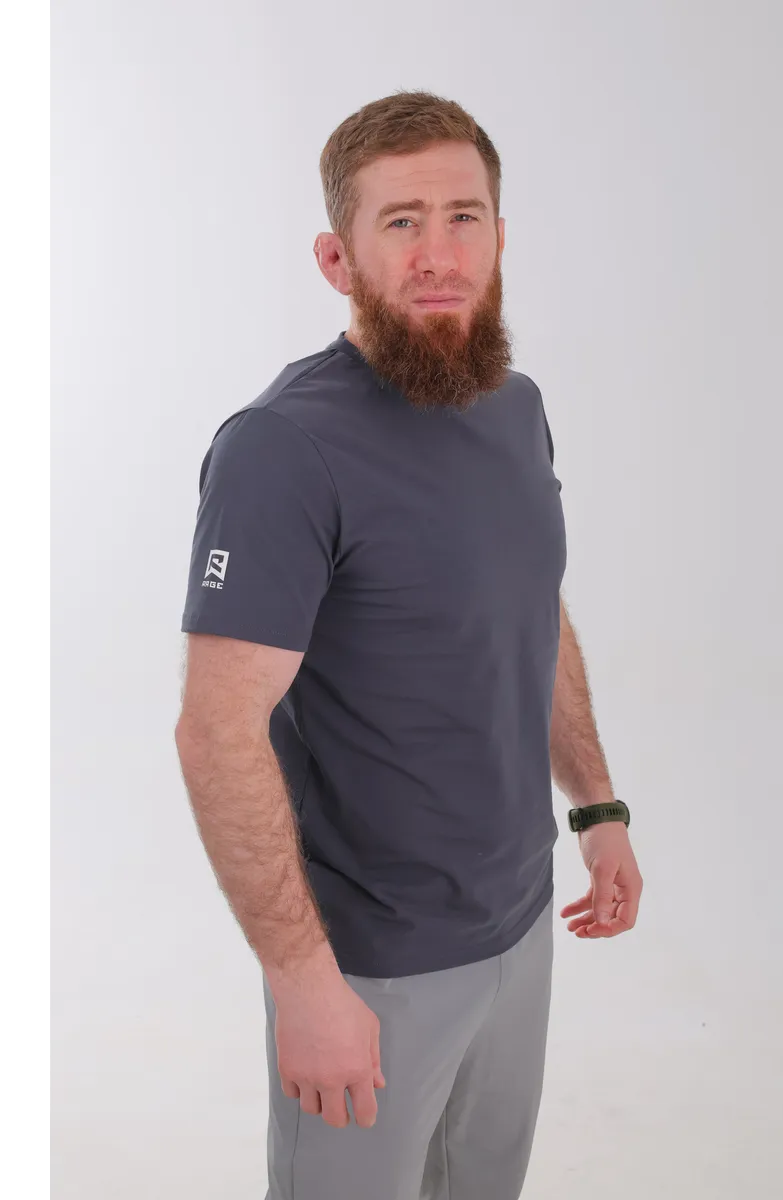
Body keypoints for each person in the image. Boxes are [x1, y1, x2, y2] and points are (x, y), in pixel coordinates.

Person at [175, 89, 643, 1200]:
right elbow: (216, 730)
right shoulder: (281, 450)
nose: (439, 254)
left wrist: (597, 807)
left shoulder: (516, 408)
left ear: (499, 236)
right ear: (337, 259)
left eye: (462, 216)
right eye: (400, 223)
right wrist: (304, 983)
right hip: (372, 964)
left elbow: (534, 612)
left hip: (521, 926)